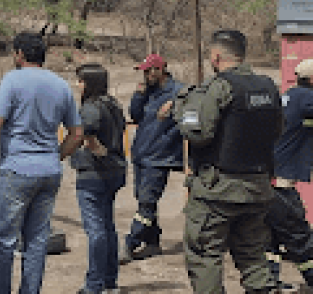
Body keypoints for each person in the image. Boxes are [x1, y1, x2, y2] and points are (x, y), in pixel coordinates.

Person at [175, 29, 283, 294]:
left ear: (216, 56)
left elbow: (197, 133)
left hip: (218, 192)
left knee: (205, 256)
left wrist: (183, 108)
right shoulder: (269, 87)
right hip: (258, 189)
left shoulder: (218, 88)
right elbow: (278, 130)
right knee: (254, 258)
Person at [0, 31, 83, 294]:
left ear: (19, 54)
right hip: (48, 171)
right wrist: (56, 156)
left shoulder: (12, 81)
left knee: (3, 242)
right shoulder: (61, 85)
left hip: (16, 169)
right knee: (37, 242)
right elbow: (77, 134)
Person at [120, 53, 185, 264]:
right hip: (142, 154)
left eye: (149, 71)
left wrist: (174, 111)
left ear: (161, 70)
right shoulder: (149, 92)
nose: (146, 75)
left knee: (147, 202)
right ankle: (152, 242)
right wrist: (139, 95)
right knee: (144, 199)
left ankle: (130, 243)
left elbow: (187, 122)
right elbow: (136, 115)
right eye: (144, 71)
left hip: (160, 157)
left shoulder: (179, 93)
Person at [71, 64, 127, 294]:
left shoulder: (91, 107)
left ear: (89, 83)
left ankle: (93, 285)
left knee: (95, 231)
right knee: (107, 227)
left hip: (94, 174)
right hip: (114, 172)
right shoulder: (113, 104)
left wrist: (97, 150)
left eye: (80, 81)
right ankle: (109, 281)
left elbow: (88, 133)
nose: (77, 85)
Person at [265, 58, 313, 290]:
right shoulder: (307, 98)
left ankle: (268, 281)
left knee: (272, 235)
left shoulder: (286, 96)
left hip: (268, 177)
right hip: (281, 182)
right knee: (299, 233)